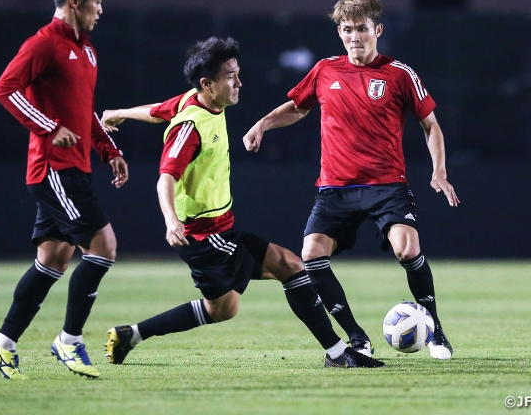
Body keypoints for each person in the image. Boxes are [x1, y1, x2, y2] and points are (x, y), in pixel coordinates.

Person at [100, 37, 384, 369]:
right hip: (205, 236)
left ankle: (130, 335)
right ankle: (338, 353)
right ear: (208, 84)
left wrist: (119, 113)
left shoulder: (195, 100)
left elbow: (155, 111)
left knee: (222, 308)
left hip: (213, 231)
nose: (239, 82)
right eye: (231, 76)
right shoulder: (191, 127)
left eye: (238, 73)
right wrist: (171, 220)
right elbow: (166, 177)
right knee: (290, 264)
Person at [243, 0, 459, 360]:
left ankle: (435, 330)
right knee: (311, 254)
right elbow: (298, 107)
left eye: (361, 28)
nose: (354, 36)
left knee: (407, 249)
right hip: (335, 189)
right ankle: (356, 337)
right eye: (346, 29)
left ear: (377, 29)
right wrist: (263, 124)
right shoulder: (326, 70)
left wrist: (439, 171)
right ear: (340, 33)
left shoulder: (399, 74)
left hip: (386, 185)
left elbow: (431, 126)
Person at [0, 0, 128, 380]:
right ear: (75, 1)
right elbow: (4, 88)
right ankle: (69, 340)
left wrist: (109, 149)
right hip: (53, 170)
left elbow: (83, 114)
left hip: (76, 167)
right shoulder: (44, 43)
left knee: (53, 260)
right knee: (104, 247)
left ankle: (2, 344)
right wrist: (48, 127)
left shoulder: (87, 50)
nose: (101, 11)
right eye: (97, 2)